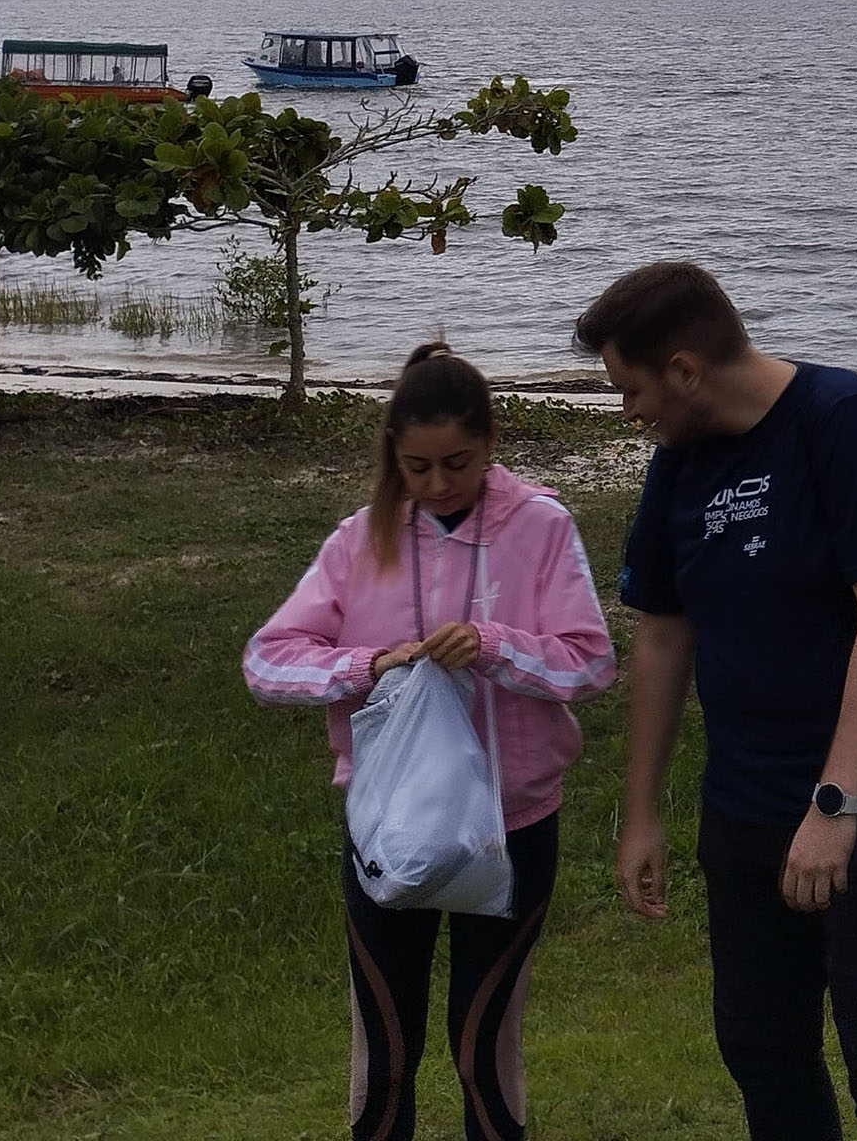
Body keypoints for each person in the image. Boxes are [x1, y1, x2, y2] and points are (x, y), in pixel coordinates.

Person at [590, 260, 857, 1141]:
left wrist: (837, 803)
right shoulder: (680, 465)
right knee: (762, 1050)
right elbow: (661, 633)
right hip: (748, 802)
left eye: (632, 388)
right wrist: (640, 813)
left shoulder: (845, 425)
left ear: (685, 370)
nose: (628, 411)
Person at [244, 343, 618, 1141]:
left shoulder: (542, 527)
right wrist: (365, 665)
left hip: (510, 826)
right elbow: (267, 660)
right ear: (393, 455)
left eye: (459, 462)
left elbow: (590, 661)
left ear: (491, 443)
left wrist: (494, 645)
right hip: (388, 826)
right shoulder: (359, 540)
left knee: (482, 1049)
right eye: (418, 467)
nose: (440, 484)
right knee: (384, 1052)